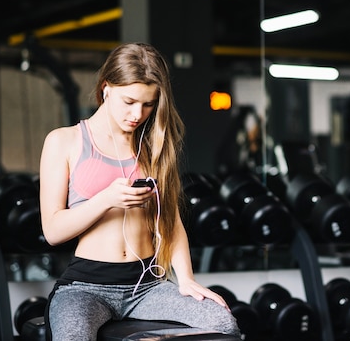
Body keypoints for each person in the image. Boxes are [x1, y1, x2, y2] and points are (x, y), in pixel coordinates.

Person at [39, 42, 240, 340]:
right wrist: (106, 199)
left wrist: (185, 279)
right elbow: (53, 231)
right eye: (129, 101)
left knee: (222, 323)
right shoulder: (65, 141)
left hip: (148, 285)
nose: (138, 113)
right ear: (106, 88)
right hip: (86, 287)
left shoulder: (152, 148)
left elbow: (170, 221)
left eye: (148, 104)